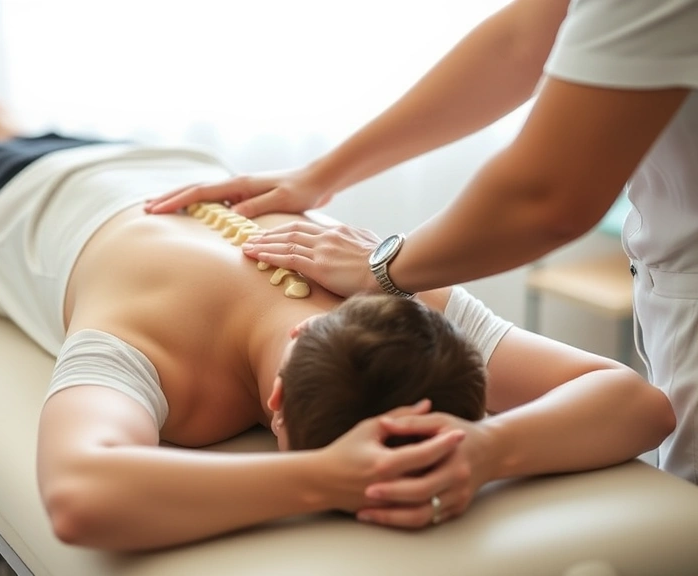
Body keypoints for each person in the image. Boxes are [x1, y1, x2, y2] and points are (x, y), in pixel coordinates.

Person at [0, 101, 673, 551]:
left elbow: (639, 404)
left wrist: (489, 448)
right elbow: (80, 497)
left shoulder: (400, 303)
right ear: (276, 406)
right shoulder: (147, 343)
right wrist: (327, 480)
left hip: (168, 180)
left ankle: (15, 128)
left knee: (43, 137)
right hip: (5, 203)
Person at [145, 0, 698, 485]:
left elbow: (546, 198)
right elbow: (525, 39)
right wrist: (321, 175)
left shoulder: (416, 309)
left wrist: (384, 268)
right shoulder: (417, 314)